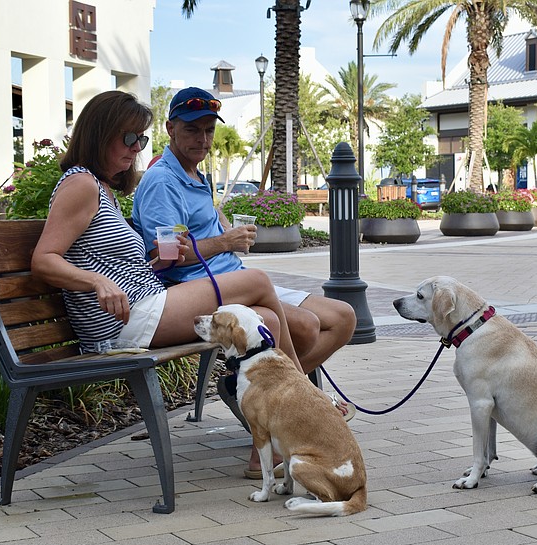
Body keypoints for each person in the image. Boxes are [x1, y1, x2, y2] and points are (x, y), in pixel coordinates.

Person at [31, 91, 306, 477]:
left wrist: (151, 261)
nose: (136, 149)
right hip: (122, 320)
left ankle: (268, 452)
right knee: (257, 281)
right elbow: (44, 259)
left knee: (264, 320)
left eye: (140, 140)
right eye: (128, 138)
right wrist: (96, 283)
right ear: (98, 134)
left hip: (143, 305)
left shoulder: (101, 186)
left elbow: (105, 257)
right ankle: (306, 397)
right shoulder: (81, 184)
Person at [131, 86, 356, 475]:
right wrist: (224, 241)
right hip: (199, 288)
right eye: (191, 130)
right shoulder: (162, 182)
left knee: (343, 316)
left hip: (235, 279)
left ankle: (254, 393)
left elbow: (201, 240)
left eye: (207, 130)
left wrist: (224, 239)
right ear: (170, 128)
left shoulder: (195, 175)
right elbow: (166, 258)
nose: (202, 139)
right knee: (301, 325)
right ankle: (295, 415)